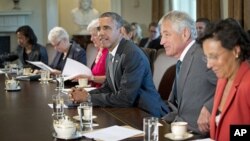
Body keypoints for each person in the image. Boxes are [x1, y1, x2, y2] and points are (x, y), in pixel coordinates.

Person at [70, 12, 169, 117]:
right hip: (126, 110)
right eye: (99, 29)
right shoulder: (110, 53)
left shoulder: (132, 54)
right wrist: (85, 94)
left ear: (121, 31)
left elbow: (125, 98)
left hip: (146, 114)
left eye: (106, 28)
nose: (100, 33)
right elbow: (108, 87)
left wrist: (88, 98)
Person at [159, 11, 217, 136]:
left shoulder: (203, 54)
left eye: (167, 35)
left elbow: (232, 84)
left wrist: (210, 107)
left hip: (199, 133)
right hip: (179, 128)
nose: (161, 41)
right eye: (161, 36)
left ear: (185, 33)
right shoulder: (183, 58)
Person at [200, 18, 250, 141]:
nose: (209, 65)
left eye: (214, 57)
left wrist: (234, 135)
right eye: (207, 57)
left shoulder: (248, 84)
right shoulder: (223, 79)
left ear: (236, 51)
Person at [72, 19, 108, 88]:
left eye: (94, 35)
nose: (91, 39)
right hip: (92, 89)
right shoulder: (99, 51)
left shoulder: (108, 52)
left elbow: (111, 79)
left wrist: (90, 78)